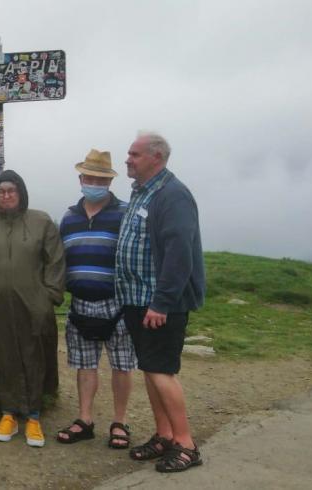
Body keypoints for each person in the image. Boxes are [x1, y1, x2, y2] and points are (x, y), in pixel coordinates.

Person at [115, 132, 205, 472]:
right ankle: (164, 436)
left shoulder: (173, 196)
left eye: (134, 154)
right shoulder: (143, 192)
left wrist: (163, 302)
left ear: (157, 157)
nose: (128, 159)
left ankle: (186, 444)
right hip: (138, 300)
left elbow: (179, 252)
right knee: (151, 369)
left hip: (159, 303)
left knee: (162, 370)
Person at [0, 169, 66, 448]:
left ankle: (33, 416)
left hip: (34, 305)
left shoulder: (41, 221)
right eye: (1, 191)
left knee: (34, 356)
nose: (6, 195)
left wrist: (50, 297)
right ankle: (8, 413)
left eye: (12, 191)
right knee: (3, 357)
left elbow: (55, 261)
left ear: (21, 193)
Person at [54, 149, 137, 448]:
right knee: (85, 365)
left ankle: (119, 421)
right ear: (80, 178)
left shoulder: (126, 214)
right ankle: (85, 419)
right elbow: (59, 258)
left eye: (100, 178)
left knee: (122, 364)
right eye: (89, 177)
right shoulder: (68, 217)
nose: (94, 182)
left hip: (118, 303)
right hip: (80, 303)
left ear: (109, 181)